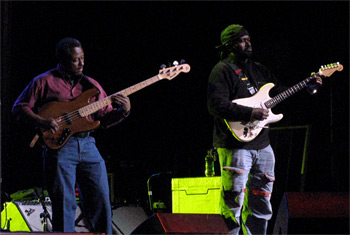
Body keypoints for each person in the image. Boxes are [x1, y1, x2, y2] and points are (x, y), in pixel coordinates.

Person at [207, 24, 323, 235]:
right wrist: (249, 114)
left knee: (262, 199)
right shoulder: (221, 70)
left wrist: (307, 86)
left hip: (262, 143)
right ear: (230, 45)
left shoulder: (259, 69)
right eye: (242, 40)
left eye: (249, 38)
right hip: (235, 145)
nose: (248, 43)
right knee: (234, 200)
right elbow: (215, 105)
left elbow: (279, 93)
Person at [12, 37, 131, 234]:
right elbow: (19, 108)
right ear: (62, 60)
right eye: (76, 60)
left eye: (83, 58)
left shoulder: (91, 85)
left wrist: (123, 111)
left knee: (101, 199)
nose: (82, 63)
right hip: (60, 148)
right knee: (64, 204)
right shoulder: (44, 81)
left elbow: (104, 120)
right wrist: (42, 121)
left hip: (88, 145)